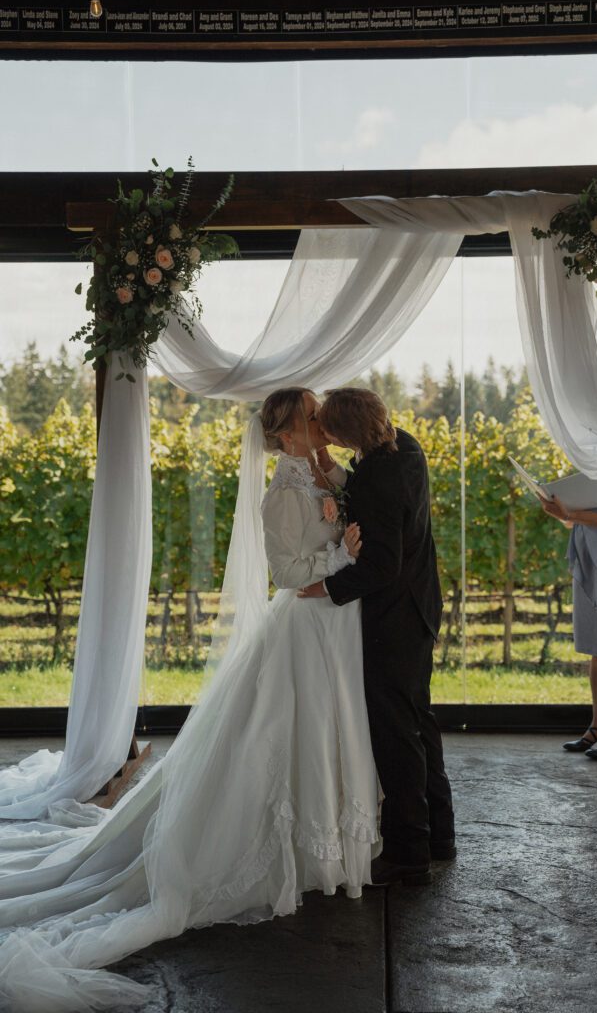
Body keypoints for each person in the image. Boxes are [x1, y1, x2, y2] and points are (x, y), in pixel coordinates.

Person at [0, 387, 381, 1012]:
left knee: (332, 729)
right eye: (311, 416)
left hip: (337, 629)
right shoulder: (281, 495)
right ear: (285, 434)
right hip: (306, 631)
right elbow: (286, 576)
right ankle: (295, 855)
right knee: (290, 736)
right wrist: (343, 550)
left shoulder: (321, 479)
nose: (322, 422)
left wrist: (342, 526)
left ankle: (333, 851)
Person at [299, 388, 455, 884]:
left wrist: (327, 585)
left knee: (395, 733)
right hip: (420, 606)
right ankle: (439, 835)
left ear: (348, 432)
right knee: (419, 721)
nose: (322, 432)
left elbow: (383, 564)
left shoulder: (378, 477)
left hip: (395, 619)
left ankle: (409, 853)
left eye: (328, 427)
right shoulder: (403, 446)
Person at [540, 476, 597, 760]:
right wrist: (562, 511)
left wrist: (570, 513)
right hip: (589, 555)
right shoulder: (592, 460)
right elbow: (574, 517)